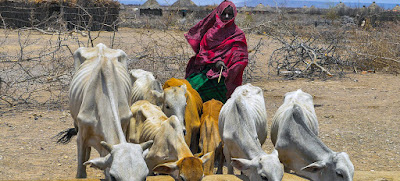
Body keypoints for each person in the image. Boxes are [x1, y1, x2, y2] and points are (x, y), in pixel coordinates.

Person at [184, 0, 248, 103]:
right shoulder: (210, 34)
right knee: (189, 89)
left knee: (222, 93)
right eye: (224, 14)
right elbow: (202, 54)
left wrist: (229, 70)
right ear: (218, 14)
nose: (227, 17)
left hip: (226, 77)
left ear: (234, 15)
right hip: (205, 71)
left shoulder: (238, 35)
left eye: (230, 14)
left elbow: (241, 59)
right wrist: (215, 62)